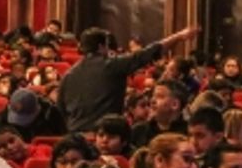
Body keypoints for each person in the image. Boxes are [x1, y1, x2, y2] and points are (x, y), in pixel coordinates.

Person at [57, 25, 199, 132]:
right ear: (101, 47)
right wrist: (179, 36)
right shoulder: (112, 65)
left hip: (74, 135)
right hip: (107, 134)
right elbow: (148, 53)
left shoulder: (68, 75)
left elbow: (61, 111)